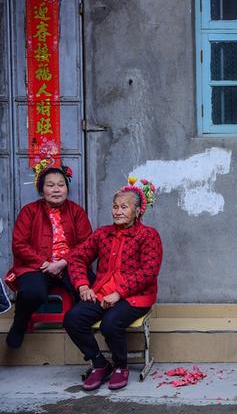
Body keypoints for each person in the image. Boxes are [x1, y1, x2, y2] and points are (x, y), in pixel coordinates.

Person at [63, 178, 162, 391]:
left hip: (136, 297)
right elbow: (76, 257)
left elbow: (149, 271)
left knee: (110, 323)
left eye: (124, 207)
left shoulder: (148, 235)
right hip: (102, 293)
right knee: (73, 319)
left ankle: (120, 365)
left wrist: (119, 293)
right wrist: (82, 285)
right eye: (115, 207)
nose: (117, 211)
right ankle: (100, 363)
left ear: (137, 211)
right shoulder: (102, 234)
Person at [6, 162, 92, 349]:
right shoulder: (29, 211)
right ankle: (20, 323)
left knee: (90, 285)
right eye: (50, 185)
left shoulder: (76, 212)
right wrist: (44, 263)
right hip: (36, 266)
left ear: (67, 188)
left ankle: (81, 325)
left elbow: (87, 245)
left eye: (61, 185)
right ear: (41, 189)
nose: (56, 189)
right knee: (32, 292)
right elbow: (19, 245)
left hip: (69, 264)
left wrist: (62, 263)